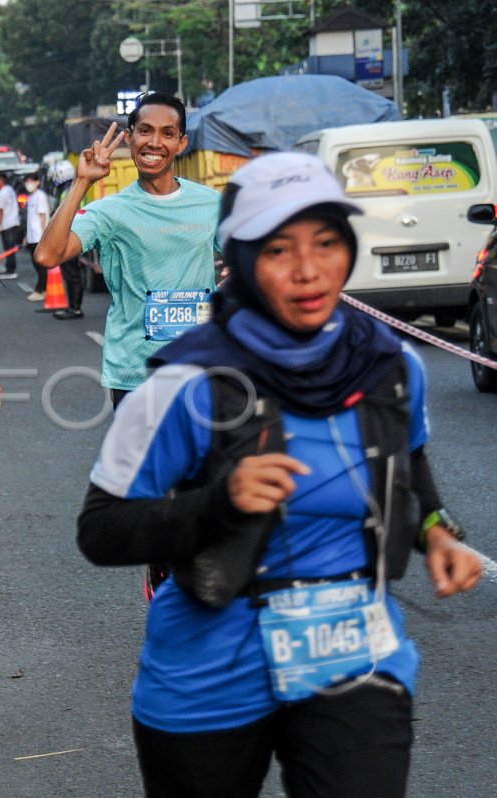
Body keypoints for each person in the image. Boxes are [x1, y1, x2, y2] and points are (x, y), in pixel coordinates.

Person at [76, 152, 483, 798]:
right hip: (211, 663)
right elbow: (100, 531)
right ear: (238, 260)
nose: (307, 270)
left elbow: (409, 463)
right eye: (278, 250)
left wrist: (436, 531)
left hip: (354, 653)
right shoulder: (185, 383)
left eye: (327, 243)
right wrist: (219, 502)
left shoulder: (390, 366)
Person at [34, 93, 220, 404]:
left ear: (181, 144)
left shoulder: (212, 204)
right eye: (145, 131)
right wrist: (82, 182)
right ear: (130, 139)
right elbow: (47, 255)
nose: (155, 142)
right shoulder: (110, 212)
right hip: (136, 375)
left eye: (168, 133)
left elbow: (255, 264)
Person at [46, 159, 86, 319]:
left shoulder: (68, 193)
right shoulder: (71, 190)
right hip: (72, 235)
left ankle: (75, 308)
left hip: (70, 236)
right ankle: (73, 306)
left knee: (72, 274)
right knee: (71, 273)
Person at [22, 172, 50, 301]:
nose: (29, 184)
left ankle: (41, 289)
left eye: (31, 181)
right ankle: (42, 288)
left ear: (37, 182)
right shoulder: (31, 197)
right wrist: (26, 237)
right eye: (27, 182)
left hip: (39, 236)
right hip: (32, 236)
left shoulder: (40, 196)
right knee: (36, 264)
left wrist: (44, 236)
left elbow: (43, 216)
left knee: (41, 265)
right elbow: (30, 219)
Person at [0, 171, 21, 280]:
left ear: (0, 180)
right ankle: (8, 267)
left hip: (7, 223)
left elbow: (0, 211)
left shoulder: (2, 193)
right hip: (13, 221)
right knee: (10, 247)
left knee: (9, 248)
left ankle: (11, 270)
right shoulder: (10, 190)